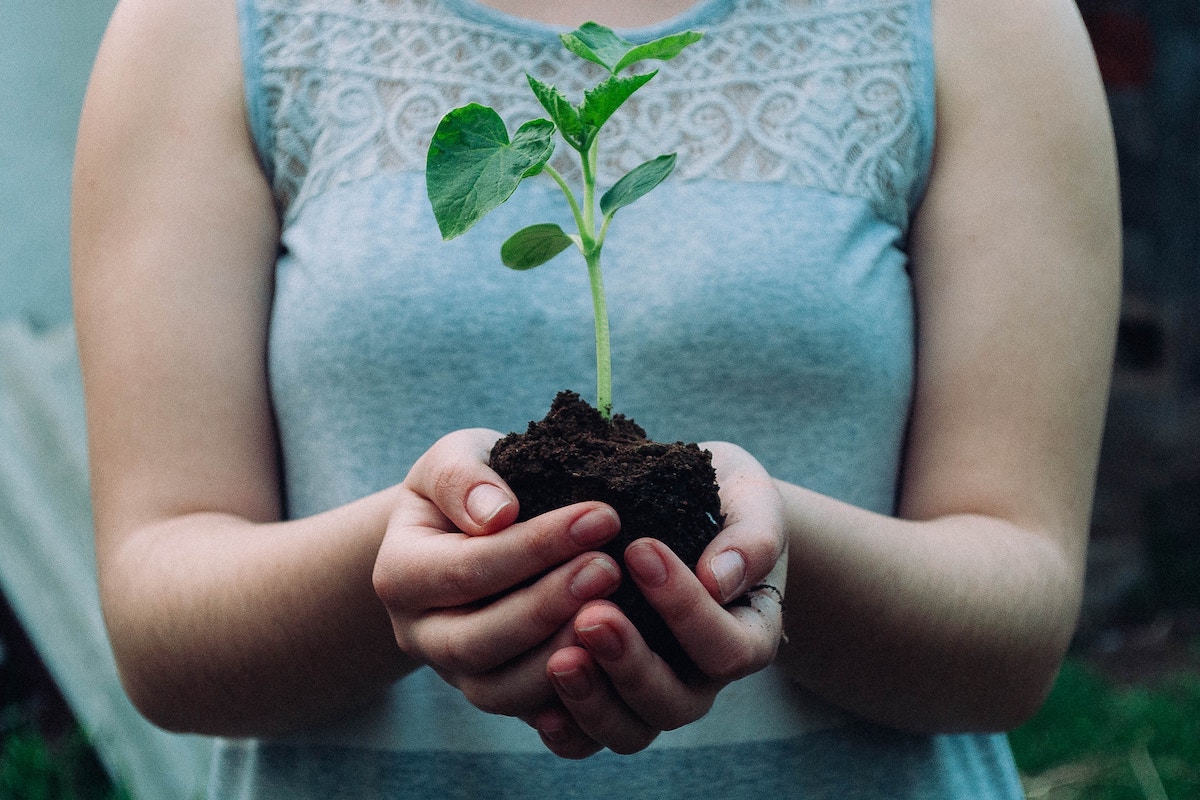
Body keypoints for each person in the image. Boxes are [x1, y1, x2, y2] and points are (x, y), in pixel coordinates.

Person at [70, 0, 1120, 795]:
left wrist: (777, 551)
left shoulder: (986, 21)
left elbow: (1015, 626)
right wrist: (402, 572)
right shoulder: (206, 23)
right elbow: (162, 629)